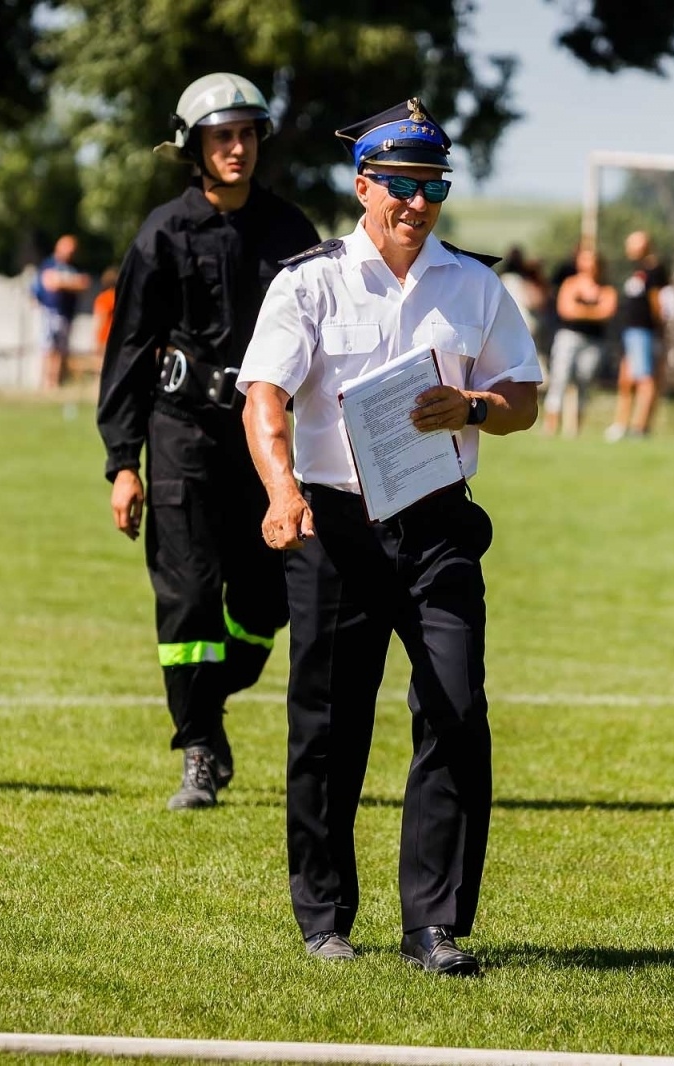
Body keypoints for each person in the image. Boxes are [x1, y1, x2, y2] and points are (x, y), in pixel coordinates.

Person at [240, 97, 540, 975]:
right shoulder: (310, 281)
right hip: (335, 524)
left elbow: (524, 393)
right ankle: (325, 918)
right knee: (330, 727)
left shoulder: (475, 286)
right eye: (402, 185)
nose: (417, 203)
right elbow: (265, 395)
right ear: (364, 186)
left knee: (456, 711)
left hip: (439, 522)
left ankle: (433, 927)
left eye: (433, 187)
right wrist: (281, 491)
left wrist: (477, 404)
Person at [97, 72, 319, 812]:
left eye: (248, 134)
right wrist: (121, 465)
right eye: (222, 136)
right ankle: (197, 746)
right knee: (189, 598)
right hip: (181, 434)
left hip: (266, 441)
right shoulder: (162, 233)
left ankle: (209, 701)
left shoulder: (293, 232)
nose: (237, 148)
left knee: (263, 606)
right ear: (195, 146)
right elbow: (128, 351)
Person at [543, 246, 616, 437]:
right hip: (569, 337)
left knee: (584, 382)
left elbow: (607, 312)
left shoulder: (606, 287)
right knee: (560, 379)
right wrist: (593, 311)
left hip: (594, 342)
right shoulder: (571, 284)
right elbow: (566, 309)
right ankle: (550, 427)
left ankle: (574, 430)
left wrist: (581, 311)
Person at [605, 231, 667, 440]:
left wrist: (660, 327)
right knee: (626, 380)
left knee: (645, 379)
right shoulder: (637, 270)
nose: (628, 248)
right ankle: (621, 424)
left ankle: (640, 427)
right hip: (630, 331)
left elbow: (658, 302)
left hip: (644, 331)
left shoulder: (655, 270)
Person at [37, 234, 91, 390]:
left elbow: (83, 283)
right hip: (51, 312)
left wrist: (63, 282)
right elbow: (50, 283)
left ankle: (56, 383)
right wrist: (70, 282)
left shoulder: (74, 267)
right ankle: (46, 383)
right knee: (49, 349)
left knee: (61, 350)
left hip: (67, 314)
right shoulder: (49, 264)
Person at [91, 266, 119, 357]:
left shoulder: (104, 298)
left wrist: (97, 340)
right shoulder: (121, 297)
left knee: (101, 367)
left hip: (105, 337)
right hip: (118, 336)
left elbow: (101, 318)